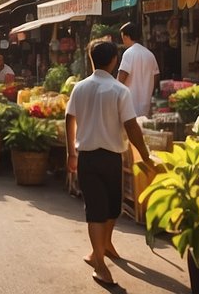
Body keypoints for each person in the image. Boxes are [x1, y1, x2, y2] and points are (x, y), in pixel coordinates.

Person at [65, 41, 155, 287]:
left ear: (92, 60)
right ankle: (100, 264)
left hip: (88, 157)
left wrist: (70, 153)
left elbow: (68, 118)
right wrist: (146, 157)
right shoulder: (119, 90)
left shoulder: (80, 88)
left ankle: (102, 247)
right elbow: (132, 127)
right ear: (114, 61)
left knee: (108, 208)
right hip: (109, 158)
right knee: (101, 209)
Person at [116, 21, 160, 120]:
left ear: (126, 37)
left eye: (123, 38)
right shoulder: (149, 54)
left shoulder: (128, 53)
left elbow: (121, 79)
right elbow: (156, 76)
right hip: (146, 106)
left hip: (129, 108)